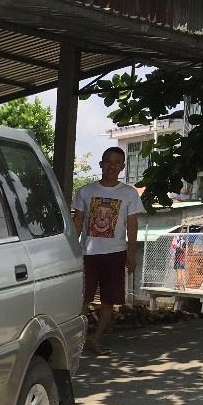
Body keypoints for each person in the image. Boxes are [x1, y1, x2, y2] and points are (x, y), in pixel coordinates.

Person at [71, 147, 142, 355]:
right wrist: (72, 250)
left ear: (122, 167)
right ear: (101, 164)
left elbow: (132, 224)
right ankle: (77, 343)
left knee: (109, 300)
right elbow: (77, 221)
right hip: (88, 254)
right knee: (82, 299)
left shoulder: (129, 194)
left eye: (117, 162)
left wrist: (131, 253)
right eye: (108, 162)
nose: (112, 166)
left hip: (116, 254)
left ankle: (95, 340)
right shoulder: (85, 191)